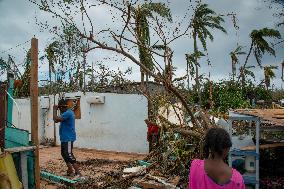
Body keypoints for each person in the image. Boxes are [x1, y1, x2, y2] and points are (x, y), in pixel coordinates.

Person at [53, 99, 82, 178]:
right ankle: (70, 171)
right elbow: (57, 120)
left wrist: (54, 110)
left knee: (69, 154)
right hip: (65, 138)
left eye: (60, 108)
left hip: (68, 138)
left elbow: (55, 119)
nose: (59, 110)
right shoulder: (66, 113)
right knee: (64, 154)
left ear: (62, 107)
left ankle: (78, 173)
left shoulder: (68, 113)